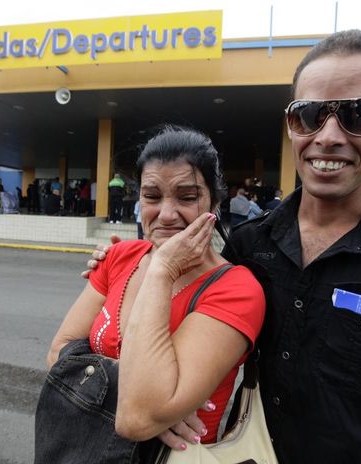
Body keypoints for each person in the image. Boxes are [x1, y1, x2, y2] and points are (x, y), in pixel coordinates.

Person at [87, 30, 361, 463]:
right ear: (291, 124)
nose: (328, 135)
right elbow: (189, 347)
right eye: (310, 115)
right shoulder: (248, 245)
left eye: (358, 114)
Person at [47, 127, 265, 454]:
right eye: (152, 196)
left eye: (187, 197)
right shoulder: (119, 257)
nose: (166, 214)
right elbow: (57, 354)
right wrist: (146, 397)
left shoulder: (236, 288)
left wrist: (163, 269)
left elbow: (137, 420)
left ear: (215, 203)